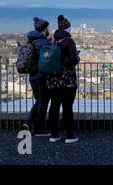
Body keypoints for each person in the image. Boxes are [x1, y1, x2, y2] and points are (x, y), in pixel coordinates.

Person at [47, 14, 80, 144]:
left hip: (52, 80)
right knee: (67, 107)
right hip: (67, 80)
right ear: (68, 29)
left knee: (54, 107)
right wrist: (77, 57)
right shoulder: (69, 41)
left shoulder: (52, 40)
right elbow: (73, 59)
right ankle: (70, 135)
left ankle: (54, 134)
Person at [22, 17, 51, 136]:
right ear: (44, 29)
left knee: (39, 101)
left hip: (32, 76)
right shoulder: (42, 42)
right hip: (41, 76)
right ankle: (39, 129)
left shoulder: (31, 41)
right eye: (48, 27)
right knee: (43, 102)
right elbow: (47, 58)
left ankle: (28, 123)